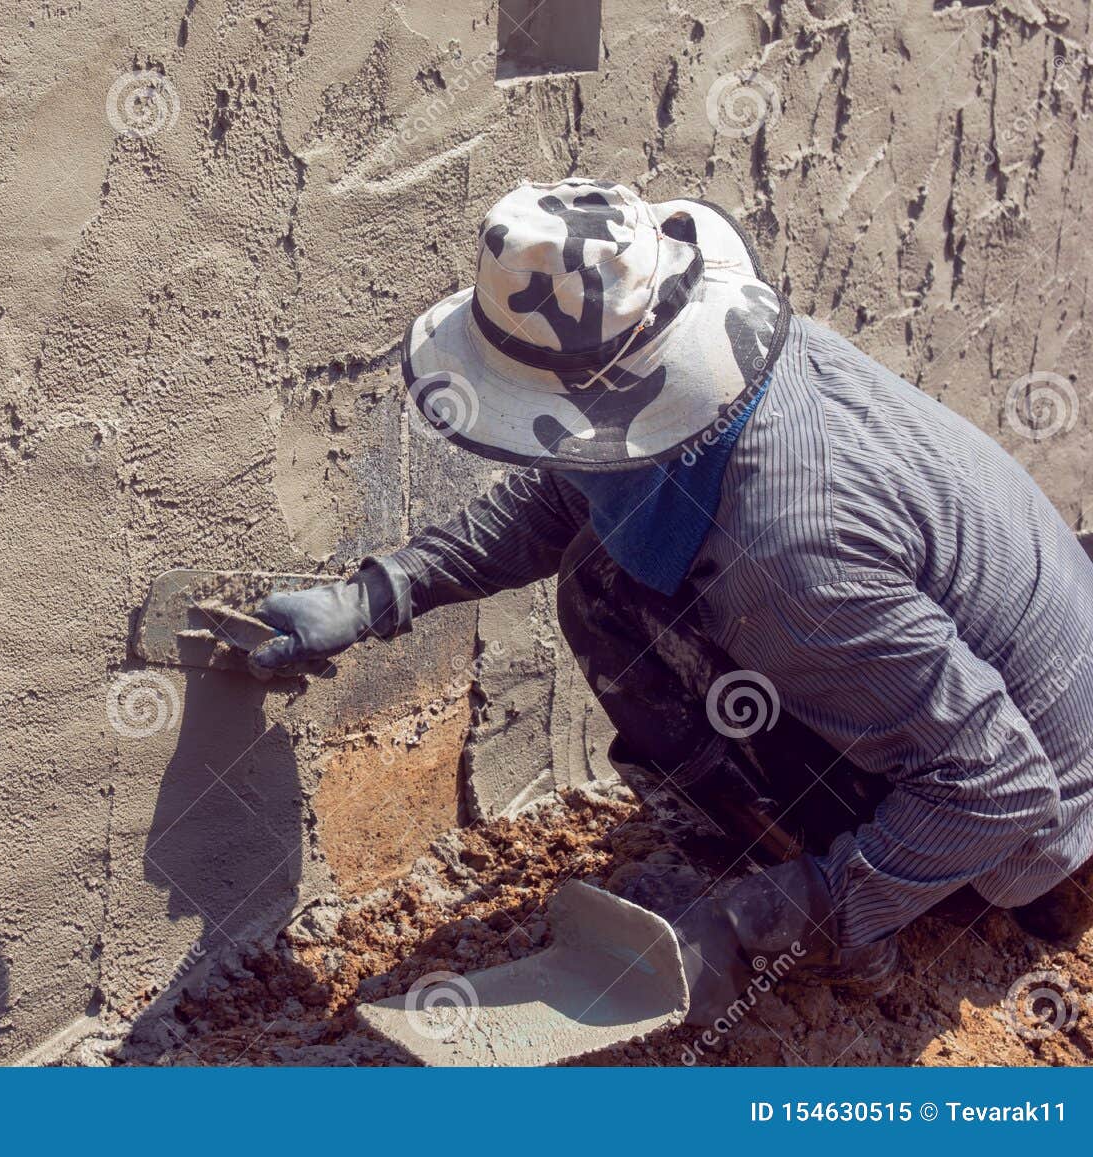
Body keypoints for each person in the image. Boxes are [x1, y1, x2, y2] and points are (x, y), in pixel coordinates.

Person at [249, 178, 1093, 1024]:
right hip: (1010, 707)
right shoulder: (729, 391)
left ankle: (834, 926)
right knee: (614, 572)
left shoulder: (789, 557)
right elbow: (570, 493)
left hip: (1029, 845)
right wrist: (381, 592)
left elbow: (999, 786)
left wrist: (769, 913)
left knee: (607, 595)